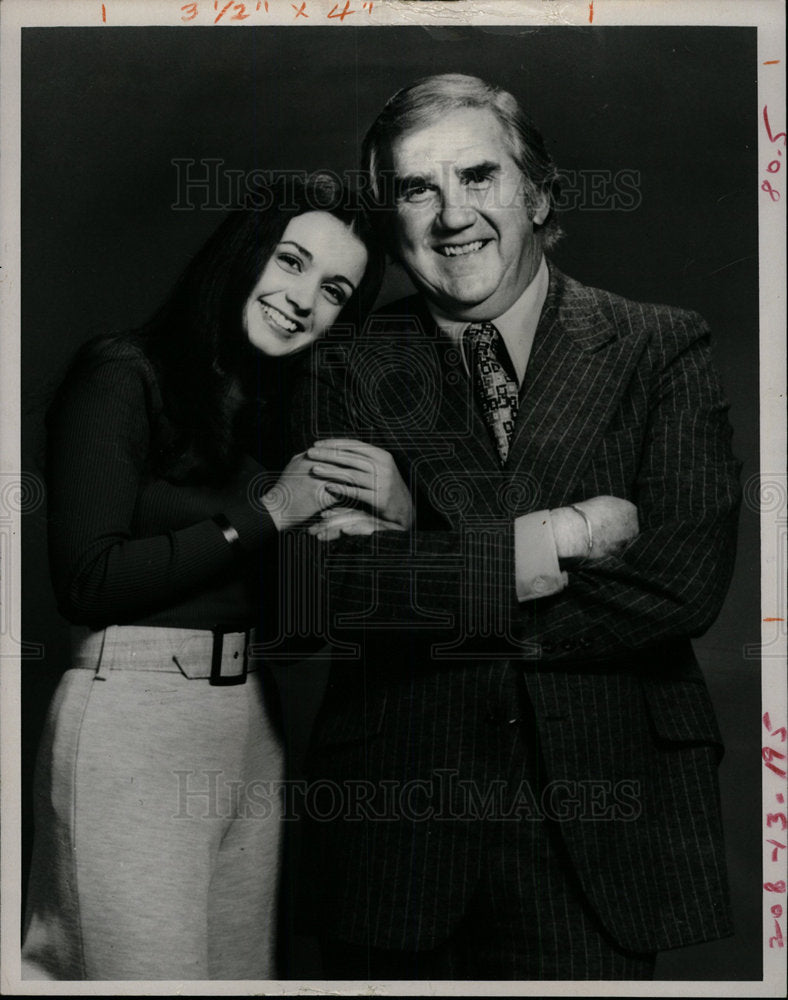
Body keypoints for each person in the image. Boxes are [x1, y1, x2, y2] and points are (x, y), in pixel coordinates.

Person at [293, 74, 741, 980]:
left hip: (595, 829)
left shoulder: (661, 346)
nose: (452, 216)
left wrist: (423, 573)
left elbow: (679, 583)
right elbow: (326, 590)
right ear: (391, 217)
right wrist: (554, 542)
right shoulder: (347, 360)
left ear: (537, 191)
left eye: (478, 177)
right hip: (397, 833)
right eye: (418, 189)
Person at [20, 175, 387, 980]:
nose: (302, 300)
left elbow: (296, 638)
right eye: (290, 262)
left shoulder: (281, 418)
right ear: (243, 254)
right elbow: (86, 579)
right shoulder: (123, 374)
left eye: (333, 291)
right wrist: (269, 516)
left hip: (251, 721)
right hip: (135, 713)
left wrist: (344, 537)